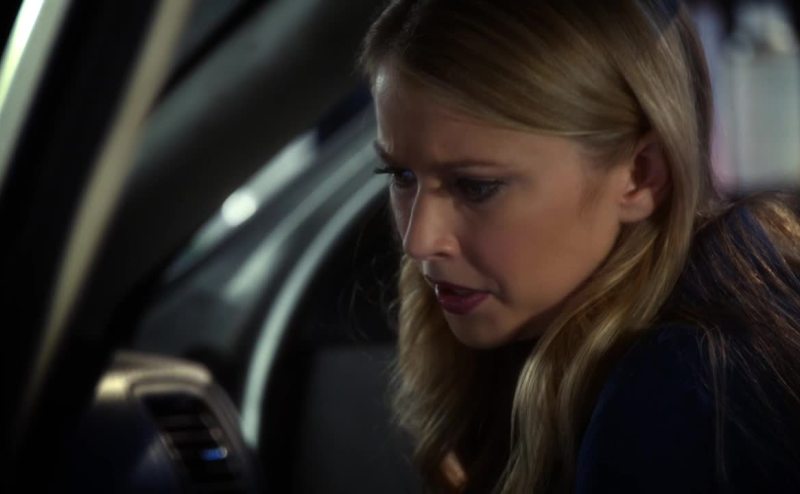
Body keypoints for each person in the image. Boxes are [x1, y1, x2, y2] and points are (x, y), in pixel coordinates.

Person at [359, 0, 800, 492]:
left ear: (640, 175)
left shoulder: (685, 401)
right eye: (400, 175)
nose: (419, 241)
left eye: (475, 186)